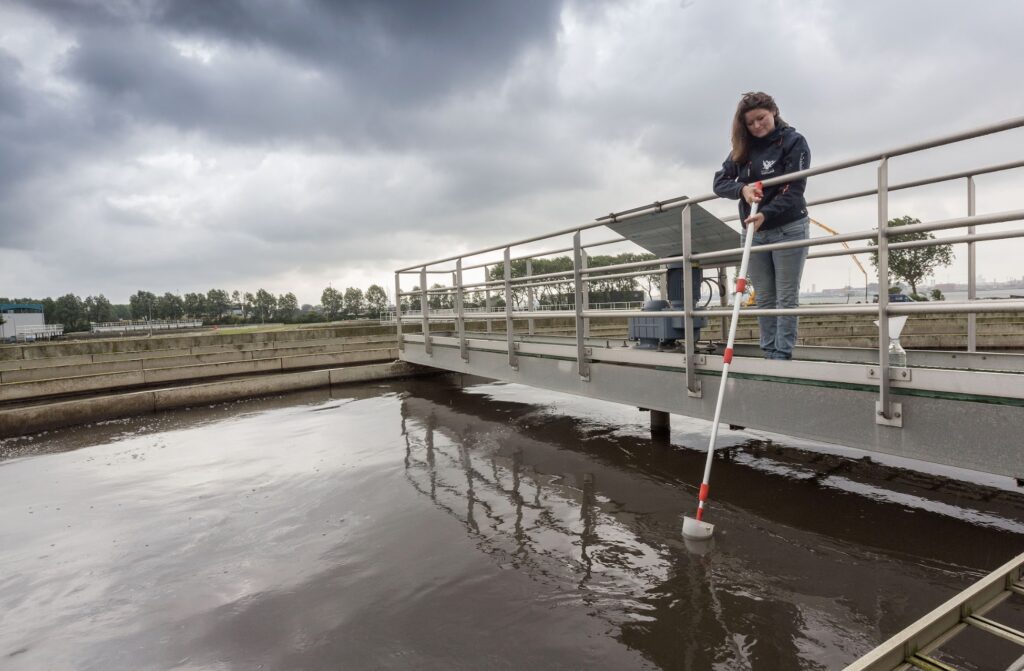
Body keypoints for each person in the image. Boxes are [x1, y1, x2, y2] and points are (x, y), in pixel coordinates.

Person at [713, 91, 811, 360]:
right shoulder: (742, 148)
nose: (757, 126)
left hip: (788, 228)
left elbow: (795, 189)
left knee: (786, 297)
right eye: (750, 122)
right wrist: (742, 189)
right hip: (753, 233)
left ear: (773, 112)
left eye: (761, 118)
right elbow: (719, 183)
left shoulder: (793, 141)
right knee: (765, 297)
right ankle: (769, 352)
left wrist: (766, 214)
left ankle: (782, 354)